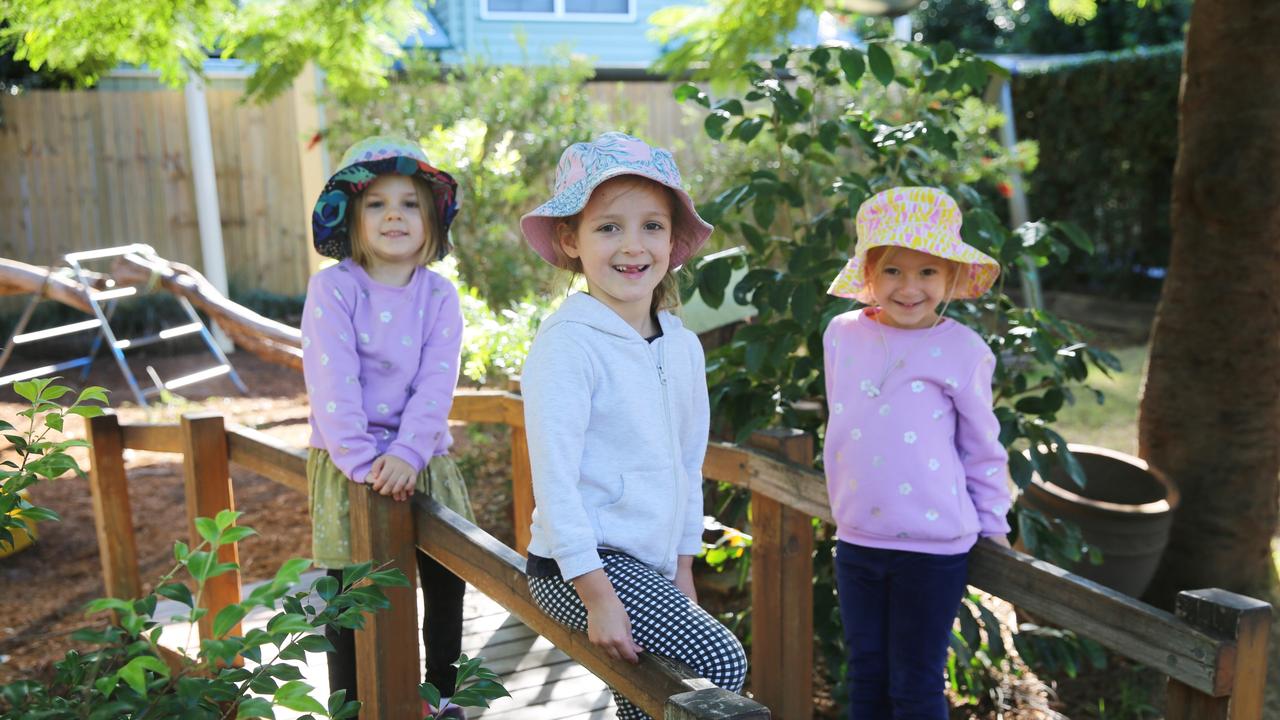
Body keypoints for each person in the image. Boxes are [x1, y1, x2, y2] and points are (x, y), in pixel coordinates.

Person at [517, 132, 748, 720]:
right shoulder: (568, 345)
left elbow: (686, 463)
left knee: (644, 702)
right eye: (608, 227)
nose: (633, 245)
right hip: (578, 565)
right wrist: (597, 595)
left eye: (652, 225)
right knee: (718, 663)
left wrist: (683, 569)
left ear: (673, 241)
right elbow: (556, 479)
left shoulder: (684, 346)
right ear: (570, 239)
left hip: (651, 565)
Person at [823, 186, 1014, 719]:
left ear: (951, 277)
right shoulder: (841, 335)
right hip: (857, 538)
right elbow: (843, 423)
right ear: (868, 275)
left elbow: (982, 448)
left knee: (914, 685)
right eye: (892, 271)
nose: (909, 288)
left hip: (933, 549)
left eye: (927, 272)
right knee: (865, 676)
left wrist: (994, 526)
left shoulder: (963, 350)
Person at [303, 136, 474, 719]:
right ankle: (349, 704)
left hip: (423, 455)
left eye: (409, 203)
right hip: (351, 465)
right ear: (352, 219)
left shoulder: (440, 296)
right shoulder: (334, 289)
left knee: (447, 580)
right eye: (376, 204)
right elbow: (333, 382)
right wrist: (362, 464)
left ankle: (438, 695)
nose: (394, 215)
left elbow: (436, 383)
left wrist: (408, 453)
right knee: (351, 594)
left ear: (432, 220)